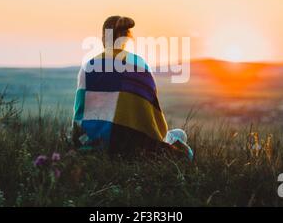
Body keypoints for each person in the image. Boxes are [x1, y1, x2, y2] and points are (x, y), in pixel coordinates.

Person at [71, 15, 193, 160]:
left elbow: (79, 116)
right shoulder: (139, 64)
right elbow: (153, 120)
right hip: (132, 147)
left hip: (92, 144)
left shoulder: (88, 66)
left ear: (104, 36)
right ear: (127, 38)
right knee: (180, 135)